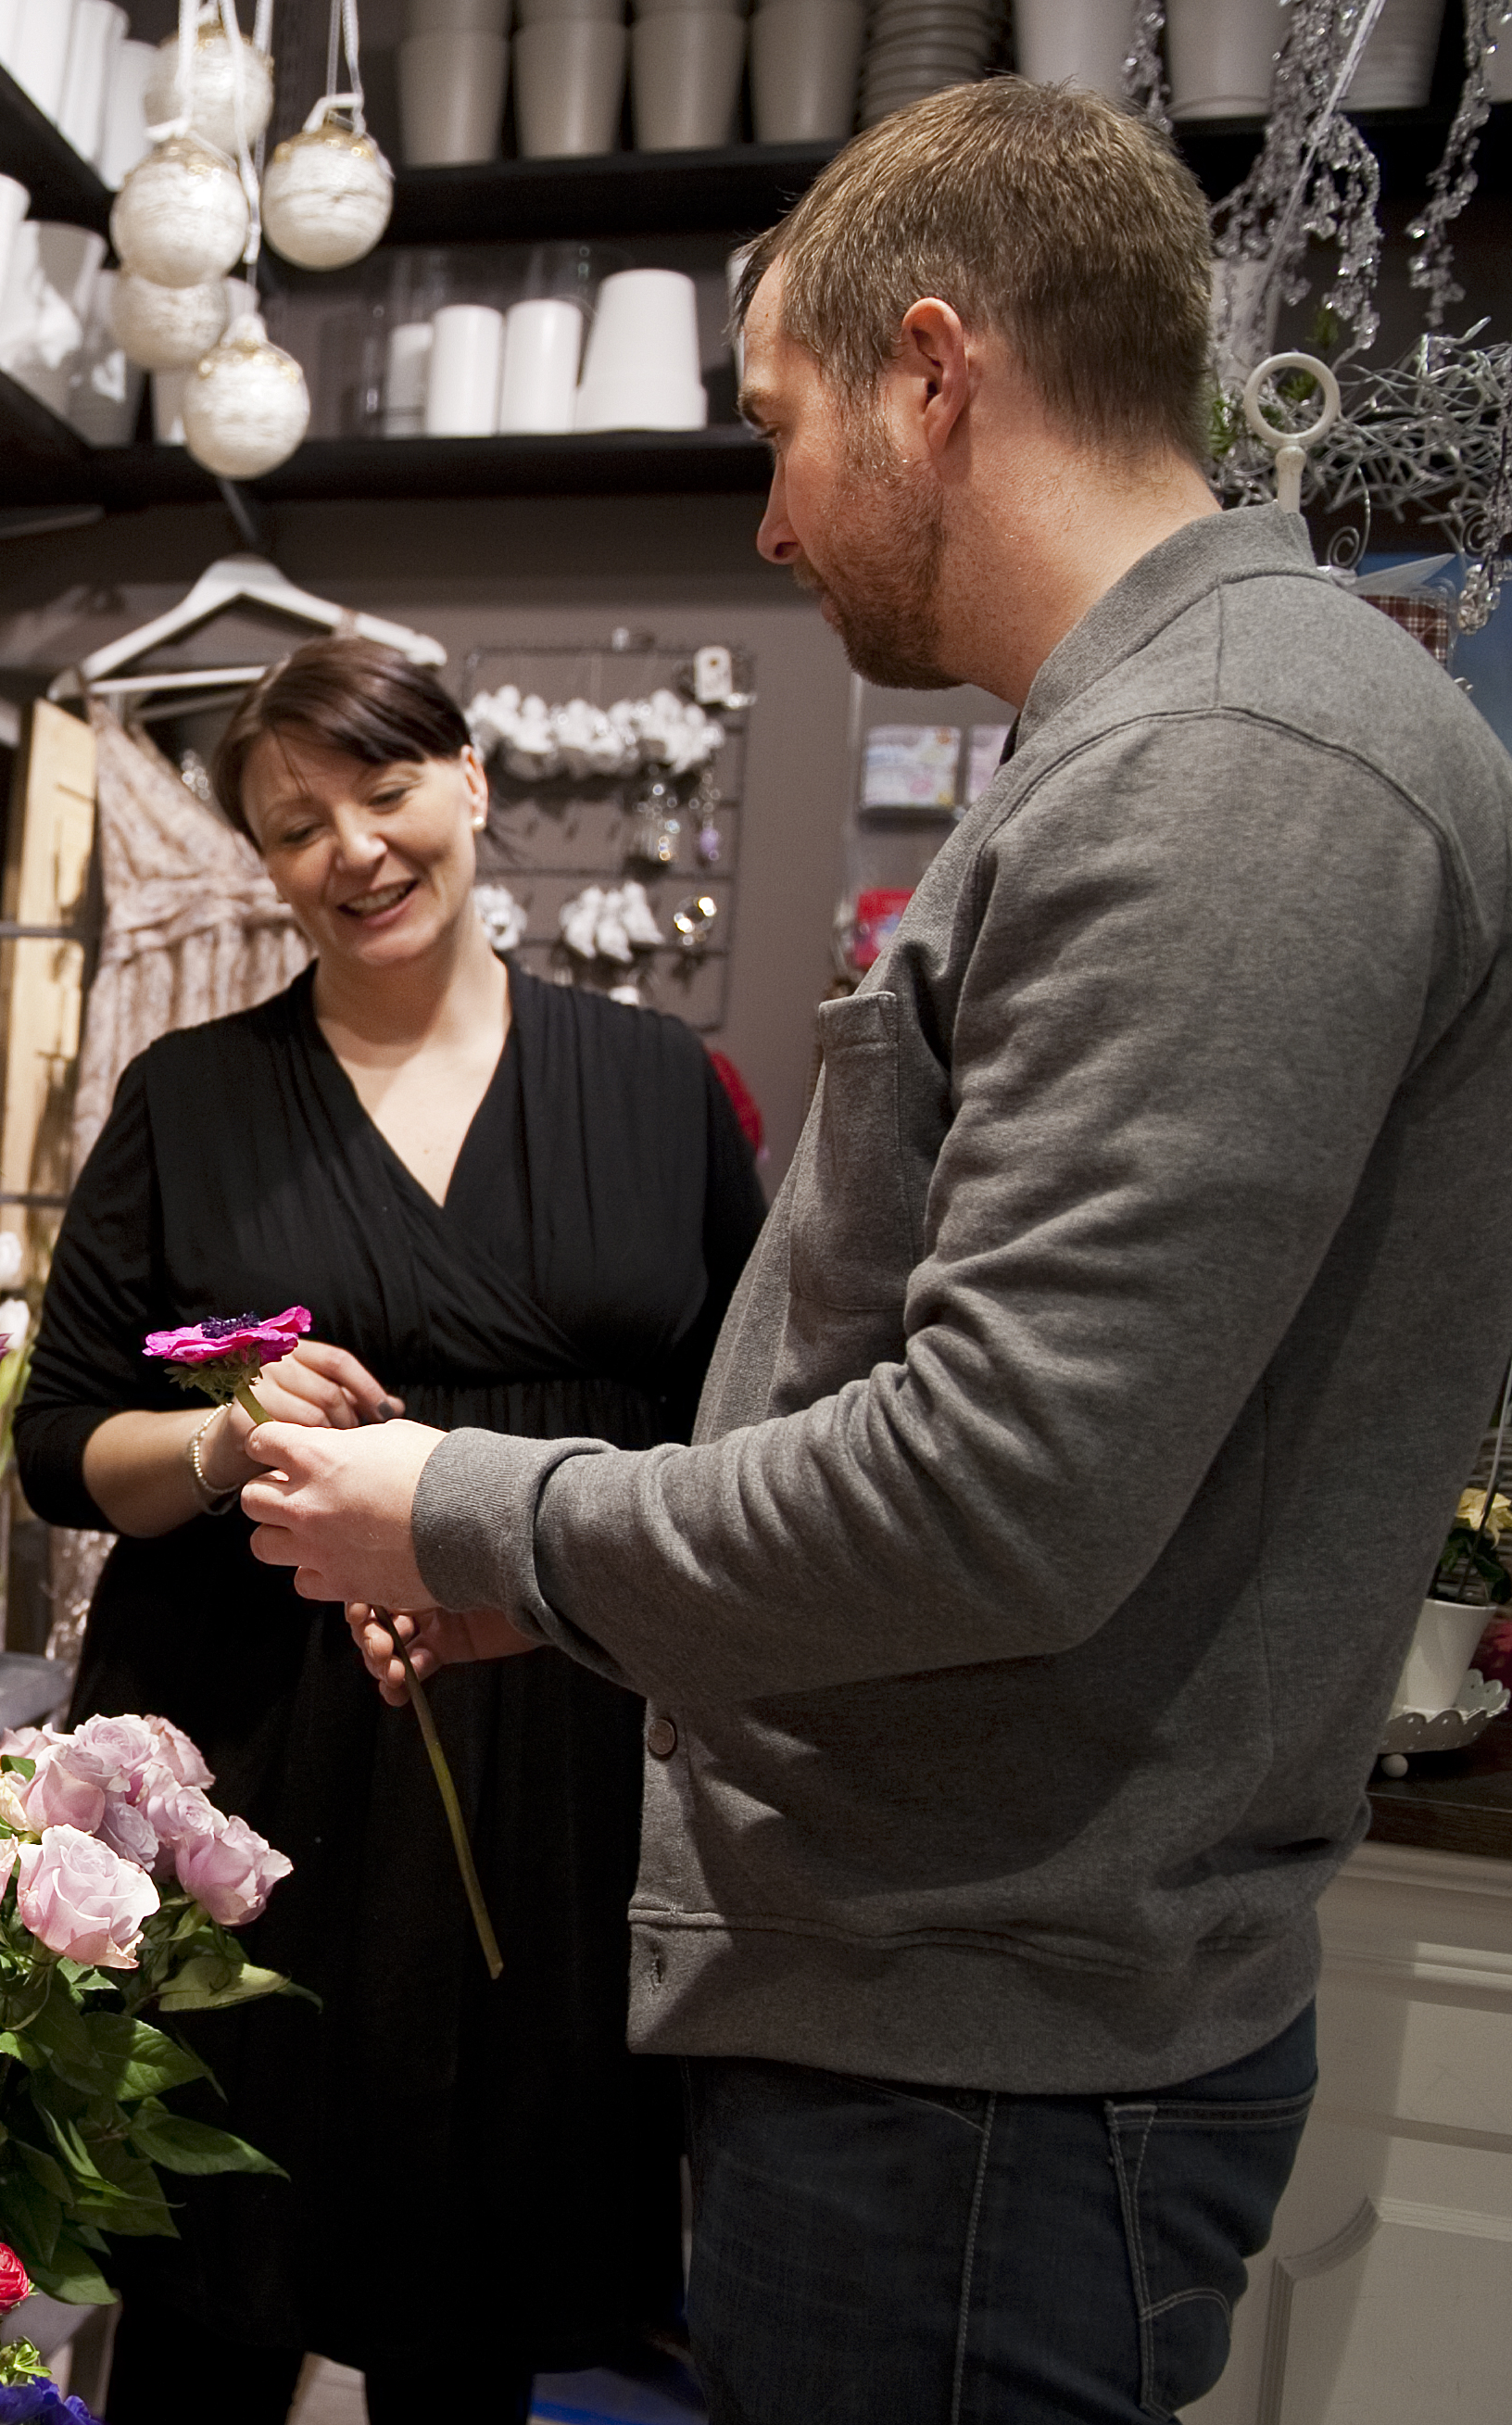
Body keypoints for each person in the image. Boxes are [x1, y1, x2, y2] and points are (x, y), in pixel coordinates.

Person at [238, 79, 1512, 2425]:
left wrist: (467, 1505)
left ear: (936, 374)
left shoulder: (1229, 762)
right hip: (952, 2028)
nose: (764, 516)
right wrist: (560, 1585)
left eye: (781, 426)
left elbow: (995, 1490)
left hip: (984, 2070)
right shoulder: (1161, 741)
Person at [12, 638, 762, 2424]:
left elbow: (744, 1426)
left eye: (385, 790)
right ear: (258, 863)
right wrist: (215, 1435)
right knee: (205, 2292)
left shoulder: (661, 1089)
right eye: (293, 824)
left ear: (473, 780)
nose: (350, 846)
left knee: (469, 2315)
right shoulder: (189, 1099)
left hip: (545, 1748)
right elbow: (55, 1447)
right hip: (244, 1754)